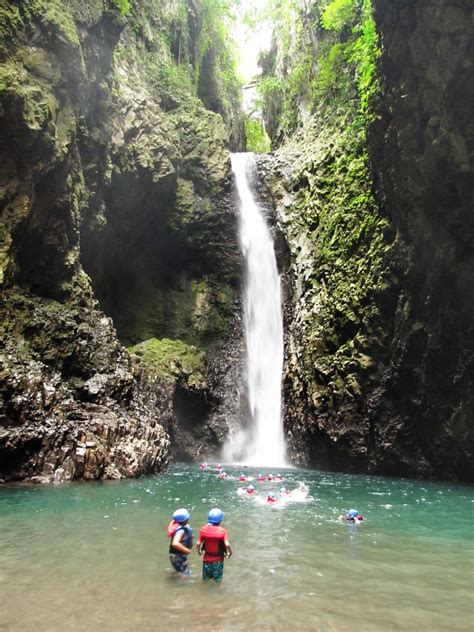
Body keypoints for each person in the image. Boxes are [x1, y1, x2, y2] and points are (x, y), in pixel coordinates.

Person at [196, 508, 232, 582]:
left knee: (205, 581)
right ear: (220, 520)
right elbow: (227, 544)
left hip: (206, 560)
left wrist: (199, 551)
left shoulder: (203, 530)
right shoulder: (222, 531)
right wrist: (230, 553)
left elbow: (198, 543)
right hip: (218, 561)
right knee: (217, 582)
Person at [167, 508, 193, 575]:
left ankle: (177, 577)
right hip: (178, 555)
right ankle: (182, 584)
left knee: (181, 570)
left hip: (177, 555)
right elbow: (175, 543)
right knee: (185, 573)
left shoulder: (180, 527)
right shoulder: (181, 530)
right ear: (185, 520)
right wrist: (187, 550)